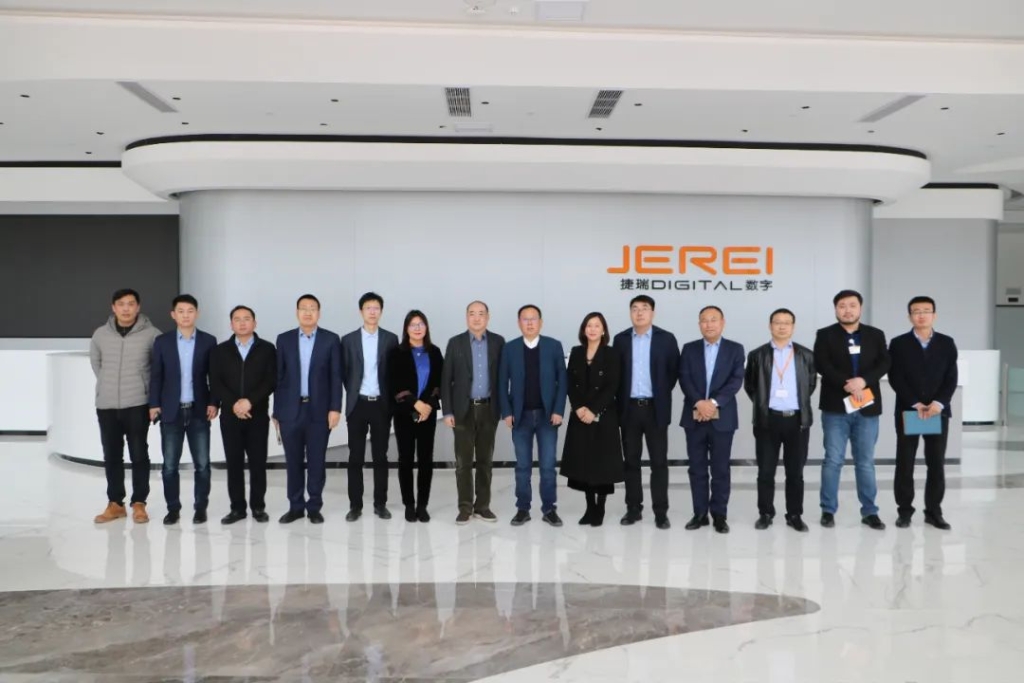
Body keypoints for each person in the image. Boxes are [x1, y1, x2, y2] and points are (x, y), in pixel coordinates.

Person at [814, 289, 890, 530]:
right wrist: (847, 384)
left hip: (867, 407)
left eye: (852, 305)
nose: (847, 310)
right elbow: (822, 364)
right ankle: (828, 510)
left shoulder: (875, 335)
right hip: (835, 408)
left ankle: (870, 511)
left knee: (865, 462)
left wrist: (863, 381)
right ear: (836, 309)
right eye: (842, 306)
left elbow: (885, 363)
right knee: (833, 460)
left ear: (860, 308)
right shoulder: (825, 334)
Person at [91, 288, 161, 524]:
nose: (126, 308)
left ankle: (139, 503)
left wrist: (150, 397)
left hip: (138, 403)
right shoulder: (100, 334)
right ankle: (115, 504)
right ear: (113, 307)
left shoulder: (152, 335)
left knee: (139, 454)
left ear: (138, 307)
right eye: (121, 304)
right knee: (112, 455)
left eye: (131, 304)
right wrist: (108, 385)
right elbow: (97, 364)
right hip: (107, 404)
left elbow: (158, 369)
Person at [743, 308, 816, 532]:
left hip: (797, 421)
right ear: (770, 326)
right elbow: (751, 386)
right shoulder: (757, 355)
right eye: (777, 322)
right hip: (768, 421)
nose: (782, 326)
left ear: (793, 327)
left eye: (787, 322)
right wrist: (764, 406)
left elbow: (810, 386)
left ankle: (794, 514)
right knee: (766, 471)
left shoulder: (806, 355)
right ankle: (765, 513)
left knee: (795, 473)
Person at [888, 296, 958, 530]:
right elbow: (896, 377)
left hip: (937, 412)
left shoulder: (946, 343)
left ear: (934, 315)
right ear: (909, 316)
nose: (921, 315)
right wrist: (915, 403)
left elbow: (951, 377)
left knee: (936, 463)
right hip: (910, 411)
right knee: (905, 462)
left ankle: (933, 511)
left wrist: (938, 403)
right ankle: (904, 511)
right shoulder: (898, 343)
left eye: (926, 311)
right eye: (916, 311)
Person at [149, 294, 218, 525]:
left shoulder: (209, 341)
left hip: (199, 411)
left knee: (203, 465)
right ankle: (173, 509)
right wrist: (154, 404)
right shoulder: (162, 342)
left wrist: (213, 402)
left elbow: (214, 376)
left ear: (196, 313)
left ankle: (200, 508)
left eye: (190, 311)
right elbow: (156, 376)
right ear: (173, 314)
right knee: (169, 466)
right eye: (181, 311)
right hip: (171, 412)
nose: (186, 315)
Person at [274, 294, 343, 525]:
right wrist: (276, 412)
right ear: (297, 312)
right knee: (293, 461)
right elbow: (279, 378)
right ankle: (295, 506)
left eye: (312, 308)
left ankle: (314, 506)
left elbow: (336, 377)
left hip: (319, 411)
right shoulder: (284, 340)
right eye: (303, 308)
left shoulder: (331, 339)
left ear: (318, 313)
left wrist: (335, 408)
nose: (307, 312)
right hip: (290, 412)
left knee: (316, 461)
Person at [612, 295, 679, 530]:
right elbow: (616, 374)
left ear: (653, 313)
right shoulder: (620, 340)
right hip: (628, 409)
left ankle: (660, 512)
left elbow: (672, 373)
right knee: (631, 461)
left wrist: (659, 394)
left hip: (655, 409)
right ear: (630, 313)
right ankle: (633, 508)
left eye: (645, 308)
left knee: (659, 462)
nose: (639, 313)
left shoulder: (666, 339)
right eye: (635, 309)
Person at [498, 304, 568, 527]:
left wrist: (558, 410)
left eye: (533, 318)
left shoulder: (553, 346)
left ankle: (549, 509)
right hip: (521, 417)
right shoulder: (510, 348)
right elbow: (502, 383)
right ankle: (523, 509)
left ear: (541, 322)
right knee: (522, 467)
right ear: (519, 323)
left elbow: (562, 381)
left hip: (548, 416)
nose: (529, 323)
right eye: (525, 319)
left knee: (547, 466)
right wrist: (507, 412)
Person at [679, 305, 745, 534]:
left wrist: (713, 403)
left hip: (723, 418)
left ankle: (719, 515)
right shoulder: (689, 349)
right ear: (699, 324)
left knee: (720, 469)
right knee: (696, 468)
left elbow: (736, 380)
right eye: (704, 320)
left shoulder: (735, 349)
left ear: (722, 323)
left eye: (713, 319)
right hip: (694, 416)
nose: (709, 324)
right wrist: (699, 402)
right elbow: (684, 378)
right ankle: (699, 513)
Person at [209, 305, 277, 525]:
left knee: (258, 463)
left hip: (257, 415)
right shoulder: (220, 351)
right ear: (231, 325)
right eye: (237, 319)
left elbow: (270, 380)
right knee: (234, 463)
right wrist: (235, 404)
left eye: (246, 318)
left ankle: (258, 507)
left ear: (254, 323)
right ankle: (237, 508)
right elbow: (216, 382)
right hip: (230, 416)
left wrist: (249, 401)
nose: (242, 323)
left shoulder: (267, 349)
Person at [441, 301, 506, 525]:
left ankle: (483, 506)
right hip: (462, 410)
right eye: (472, 314)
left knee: (485, 460)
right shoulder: (455, 343)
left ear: (488, 317)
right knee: (463, 462)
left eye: (481, 314)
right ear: (466, 317)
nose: (476, 318)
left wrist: (505, 409)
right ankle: (465, 507)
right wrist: (447, 411)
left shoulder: (498, 342)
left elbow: (503, 378)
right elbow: (446, 379)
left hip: (489, 409)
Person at [559, 312, 624, 527]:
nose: (592, 329)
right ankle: (589, 507)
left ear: (603, 330)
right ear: (583, 329)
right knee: (584, 462)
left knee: (602, 463)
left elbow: (612, 385)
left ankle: (600, 507)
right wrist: (578, 408)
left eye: (597, 325)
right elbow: (570, 383)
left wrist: (593, 410)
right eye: (589, 325)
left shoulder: (611, 353)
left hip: (603, 416)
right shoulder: (577, 352)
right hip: (580, 415)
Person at [341, 292, 400, 521]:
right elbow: (345, 373)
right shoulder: (348, 340)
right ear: (361, 311)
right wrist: (354, 392)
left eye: (376, 308)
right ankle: (355, 505)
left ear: (381, 311)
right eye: (368, 308)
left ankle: (380, 504)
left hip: (381, 405)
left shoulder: (390, 339)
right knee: (355, 456)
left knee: (380, 457)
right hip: (357, 405)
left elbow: (393, 373)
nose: (372, 312)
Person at [388, 310, 444, 523]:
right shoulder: (397, 352)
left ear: (426, 327)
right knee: (405, 459)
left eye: (421, 324)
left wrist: (428, 405)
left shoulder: (434, 352)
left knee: (425, 460)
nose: (417, 328)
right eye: (413, 324)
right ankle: (409, 504)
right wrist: (415, 403)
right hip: (404, 413)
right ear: (406, 328)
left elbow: (439, 381)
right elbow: (394, 383)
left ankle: (422, 505)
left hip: (428, 414)